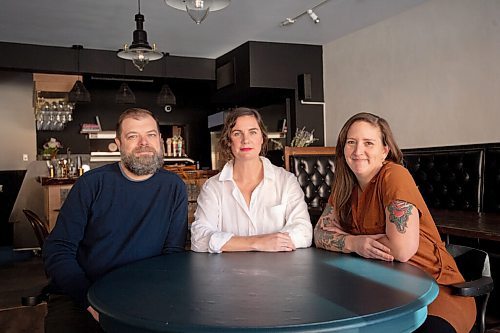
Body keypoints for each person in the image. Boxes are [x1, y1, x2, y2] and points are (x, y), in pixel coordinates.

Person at [314, 112, 475, 333]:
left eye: (368, 143)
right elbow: (320, 234)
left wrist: (343, 239)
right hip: (379, 290)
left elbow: (401, 250)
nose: (358, 150)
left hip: (435, 293)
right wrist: (355, 243)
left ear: (384, 151)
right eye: (351, 142)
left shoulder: (394, 175)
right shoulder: (344, 186)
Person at [43, 108, 188, 333]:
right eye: (133, 136)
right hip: (81, 294)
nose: (144, 143)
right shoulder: (92, 184)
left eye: (150, 135)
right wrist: (88, 300)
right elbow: (58, 250)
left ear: (160, 140)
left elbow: (172, 253)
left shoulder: (174, 187)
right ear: (118, 143)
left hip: (144, 293)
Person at [190, 107, 312, 253]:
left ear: (262, 138)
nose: (245, 140)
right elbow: (198, 238)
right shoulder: (213, 187)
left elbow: (304, 231)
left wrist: (231, 243)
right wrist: (257, 242)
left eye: (252, 132)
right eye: (237, 133)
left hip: (278, 271)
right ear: (228, 141)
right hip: (227, 273)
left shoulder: (286, 181)